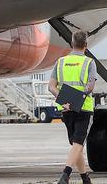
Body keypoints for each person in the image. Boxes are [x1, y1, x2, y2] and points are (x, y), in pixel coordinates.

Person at [48, 30, 97, 184]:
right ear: (86, 45)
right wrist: (75, 100)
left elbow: (51, 87)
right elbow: (90, 88)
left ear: (72, 44)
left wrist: (65, 100)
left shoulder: (60, 62)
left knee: (77, 146)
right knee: (78, 145)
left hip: (66, 108)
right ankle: (65, 175)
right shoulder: (89, 62)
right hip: (84, 109)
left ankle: (85, 178)